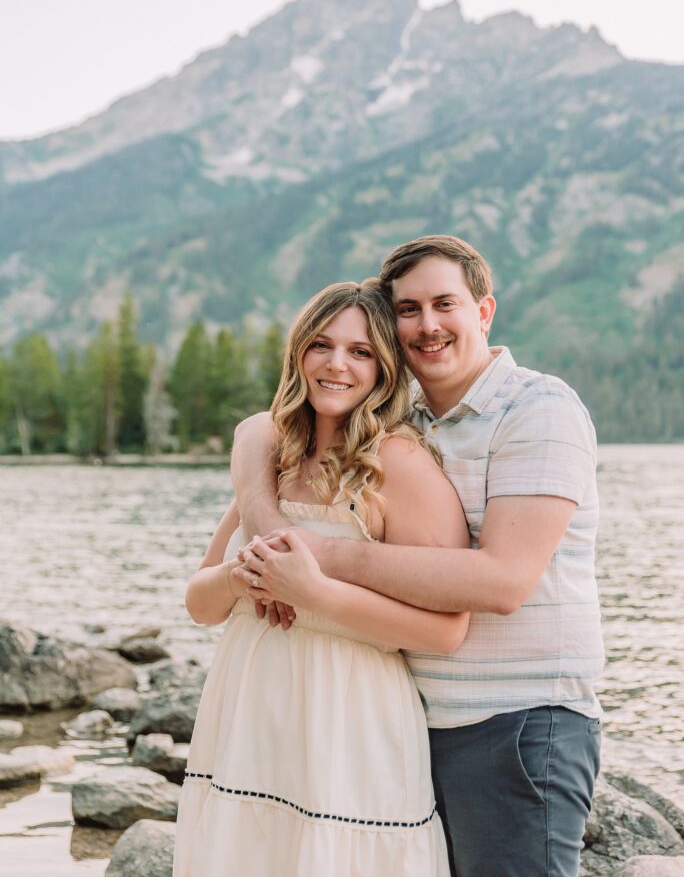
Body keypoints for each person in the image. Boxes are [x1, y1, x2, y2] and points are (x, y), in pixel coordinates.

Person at [232, 235, 604, 877]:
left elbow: (502, 582)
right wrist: (266, 522)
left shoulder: (537, 410)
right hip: (416, 717)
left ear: (483, 312)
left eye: (444, 304)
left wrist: (318, 559)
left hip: (519, 723)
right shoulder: (405, 421)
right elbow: (260, 428)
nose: (427, 325)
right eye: (407, 310)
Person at [173, 279, 471, 877]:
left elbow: (445, 632)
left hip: (349, 721)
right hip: (249, 715)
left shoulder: (399, 463)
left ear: (385, 368)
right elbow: (199, 604)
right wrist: (243, 576)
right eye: (321, 345)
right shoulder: (272, 460)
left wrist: (312, 593)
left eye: (361, 352)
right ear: (297, 354)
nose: (337, 365)